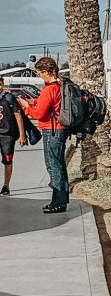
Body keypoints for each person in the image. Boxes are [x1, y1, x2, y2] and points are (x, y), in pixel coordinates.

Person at [20, 56, 69, 214]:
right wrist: (34, 102)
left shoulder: (49, 89)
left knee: (53, 166)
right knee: (59, 165)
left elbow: (39, 114)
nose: (39, 76)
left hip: (51, 130)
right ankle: (62, 199)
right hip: (60, 129)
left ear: (46, 71)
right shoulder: (59, 86)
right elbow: (50, 106)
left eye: (39, 73)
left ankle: (58, 202)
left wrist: (27, 108)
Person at [0, 77, 27, 195]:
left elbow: (18, 115)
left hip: (7, 135)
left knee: (8, 160)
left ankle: (6, 185)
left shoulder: (9, 98)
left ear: (3, 85)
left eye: (0, 84)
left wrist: (22, 135)